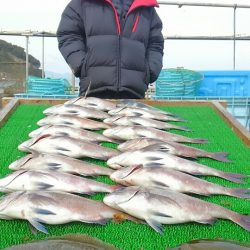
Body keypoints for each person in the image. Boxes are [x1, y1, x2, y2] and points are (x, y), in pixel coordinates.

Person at [57, 0, 164, 99]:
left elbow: (156, 43)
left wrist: (149, 71)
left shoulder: (147, 8)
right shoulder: (82, 3)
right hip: (91, 94)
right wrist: (82, 66)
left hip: (135, 96)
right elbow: (68, 34)